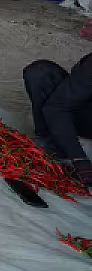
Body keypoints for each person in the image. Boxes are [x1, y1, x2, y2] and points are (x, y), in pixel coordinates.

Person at [23, 53, 92, 187]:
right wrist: (80, 159)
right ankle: (53, 147)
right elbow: (56, 106)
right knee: (40, 73)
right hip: (85, 115)